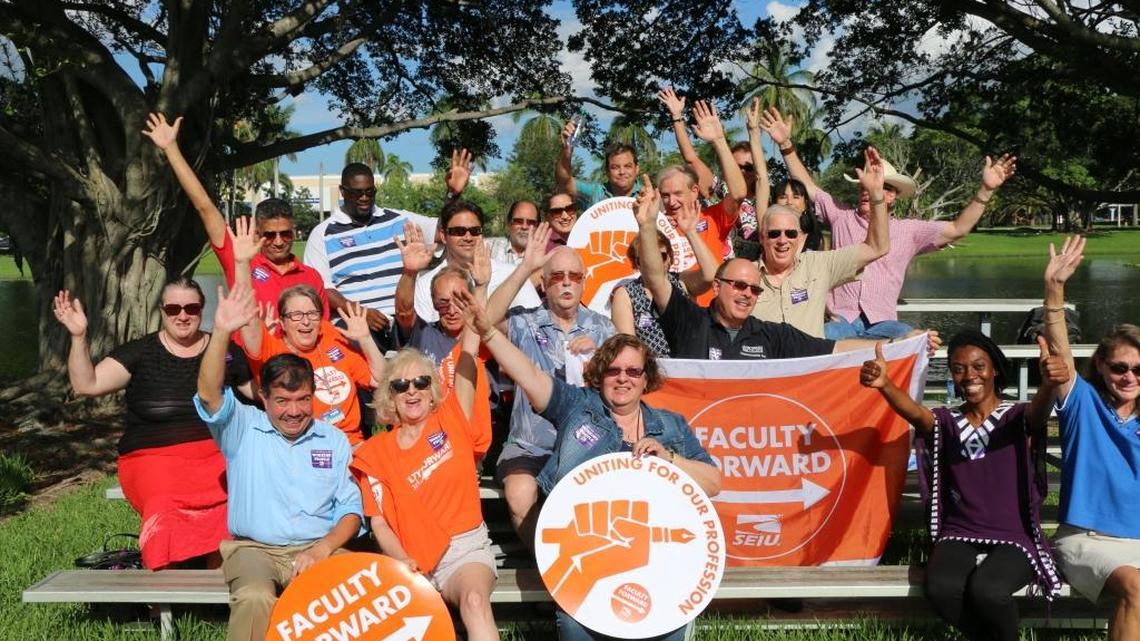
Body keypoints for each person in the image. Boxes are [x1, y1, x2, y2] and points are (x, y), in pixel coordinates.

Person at [455, 290, 720, 641]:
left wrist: (669, 459)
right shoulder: (577, 407)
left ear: (645, 378)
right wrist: (489, 333)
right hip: (589, 557)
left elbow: (713, 482)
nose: (622, 378)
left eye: (632, 371)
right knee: (576, 628)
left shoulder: (670, 426)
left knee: (667, 630)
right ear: (599, 374)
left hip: (654, 565)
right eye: (613, 370)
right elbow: (531, 376)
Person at [860, 331, 1066, 641]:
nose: (969, 375)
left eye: (978, 366)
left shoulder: (1016, 417)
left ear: (995, 369)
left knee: (989, 590)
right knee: (940, 587)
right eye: (959, 369)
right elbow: (915, 414)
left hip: (1014, 534)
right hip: (961, 530)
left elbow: (1039, 411)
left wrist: (1049, 384)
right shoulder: (946, 421)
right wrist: (886, 386)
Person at [195, 282, 363, 641]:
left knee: (354, 589)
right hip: (255, 550)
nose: (294, 411)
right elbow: (209, 394)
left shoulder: (332, 439)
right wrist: (222, 331)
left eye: (302, 399)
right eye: (283, 401)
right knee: (255, 597)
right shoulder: (242, 427)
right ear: (264, 398)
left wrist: (322, 549)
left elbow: (351, 510)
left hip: (318, 547)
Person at [761, 106, 1017, 340]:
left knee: (917, 339)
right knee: (813, 340)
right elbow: (808, 186)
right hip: (841, 319)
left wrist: (985, 190)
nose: (867, 191)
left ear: (892, 195)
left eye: (879, 187)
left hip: (883, 322)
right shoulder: (841, 215)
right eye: (864, 185)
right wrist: (786, 145)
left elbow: (958, 229)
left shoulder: (910, 230)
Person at [53, 279, 252, 570]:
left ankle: (218, 592)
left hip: (214, 456)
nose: (182, 315)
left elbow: (264, 395)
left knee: (230, 499)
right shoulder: (140, 353)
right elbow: (87, 384)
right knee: (164, 504)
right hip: (151, 458)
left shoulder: (226, 351)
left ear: (202, 309)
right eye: (173, 308)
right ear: (162, 310)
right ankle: (162, 598)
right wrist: (79, 336)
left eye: (191, 308)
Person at [633, 175, 936, 361]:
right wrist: (646, 225)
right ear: (717, 287)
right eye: (738, 286)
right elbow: (656, 278)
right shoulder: (694, 323)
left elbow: (835, 349)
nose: (746, 293)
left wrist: (899, 344)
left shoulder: (773, 336)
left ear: (802, 239)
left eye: (753, 290)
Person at [351, 324, 499, 641]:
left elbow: (470, 347)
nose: (412, 391)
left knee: (475, 602)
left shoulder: (452, 417)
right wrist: (402, 561)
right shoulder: (374, 453)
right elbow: (379, 524)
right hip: (409, 562)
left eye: (421, 382)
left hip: (464, 550)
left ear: (432, 389)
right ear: (389, 397)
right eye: (401, 385)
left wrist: (484, 285)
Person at [485, 222, 617, 549]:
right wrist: (525, 267)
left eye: (574, 276)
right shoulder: (525, 322)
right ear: (544, 285)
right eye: (557, 277)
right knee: (518, 493)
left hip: (589, 444)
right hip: (530, 444)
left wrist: (600, 356)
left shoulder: (606, 328)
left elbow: (628, 385)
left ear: (584, 283)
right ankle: (550, 570)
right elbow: (484, 320)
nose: (567, 283)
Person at [1040, 235, 1140, 639]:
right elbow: (1061, 354)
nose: (1129, 377)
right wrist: (1054, 290)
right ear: (1100, 365)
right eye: (1119, 368)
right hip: (1086, 540)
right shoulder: (1083, 405)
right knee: (1136, 589)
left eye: (1138, 370)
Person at [143, 113, 329, 317]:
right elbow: (204, 206)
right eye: (269, 235)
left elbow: (323, 330)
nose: (278, 242)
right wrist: (171, 149)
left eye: (285, 234)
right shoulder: (241, 261)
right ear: (256, 234)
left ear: (294, 232)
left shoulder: (311, 277)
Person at [234, 217, 386, 446]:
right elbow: (248, 318)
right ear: (282, 322)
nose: (305, 322)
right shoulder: (274, 349)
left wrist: (365, 339)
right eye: (296, 315)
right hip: (302, 445)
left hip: (352, 444)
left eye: (312, 314)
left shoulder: (330, 335)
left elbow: (381, 379)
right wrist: (242, 264)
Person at [304, 150, 469, 348]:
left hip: (405, 317)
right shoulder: (322, 233)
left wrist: (454, 195)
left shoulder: (398, 220)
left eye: (370, 191)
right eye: (357, 193)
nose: (364, 197)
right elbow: (324, 288)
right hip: (356, 321)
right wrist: (362, 314)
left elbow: (442, 230)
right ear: (342, 191)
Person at [751, 146, 891, 338]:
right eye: (774, 233)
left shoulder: (819, 264)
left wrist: (876, 195)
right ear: (762, 236)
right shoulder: (745, 277)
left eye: (791, 233)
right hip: (766, 366)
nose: (783, 240)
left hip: (813, 366)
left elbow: (877, 247)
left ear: (801, 236)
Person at [659, 89, 767, 260]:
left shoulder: (768, 198)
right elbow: (691, 159)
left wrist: (754, 131)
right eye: (737, 166)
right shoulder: (720, 190)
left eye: (748, 168)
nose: (742, 172)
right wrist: (677, 117)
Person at [610, 197, 718, 357]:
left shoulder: (682, 282)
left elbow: (711, 275)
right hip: (652, 373)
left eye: (661, 255)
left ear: (670, 258)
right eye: (643, 258)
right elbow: (628, 348)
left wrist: (690, 232)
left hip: (689, 367)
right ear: (636, 264)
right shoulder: (625, 294)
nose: (652, 261)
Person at [413, 199, 541, 323]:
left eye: (475, 231)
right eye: (459, 231)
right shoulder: (425, 284)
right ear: (443, 236)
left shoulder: (511, 274)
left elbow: (537, 322)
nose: (468, 237)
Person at [655, 101, 746, 271]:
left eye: (678, 193)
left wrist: (719, 140)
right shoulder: (655, 227)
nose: (671, 201)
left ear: (695, 191)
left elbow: (738, 194)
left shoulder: (712, 218)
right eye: (665, 195)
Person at [555, 120, 641, 210]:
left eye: (627, 166)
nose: (622, 172)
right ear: (607, 171)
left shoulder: (649, 196)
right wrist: (567, 149)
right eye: (615, 167)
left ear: (637, 169)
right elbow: (564, 182)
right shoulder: (594, 193)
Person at [775, 178, 824, 251]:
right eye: (783, 197)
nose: (789, 202)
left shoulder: (815, 237)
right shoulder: (767, 233)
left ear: (805, 204)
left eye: (795, 197)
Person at [486, 200, 540, 265]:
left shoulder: (543, 257)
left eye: (531, 222)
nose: (524, 227)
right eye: (518, 221)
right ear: (509, 224)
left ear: (538, 227)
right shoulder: (489, 247)